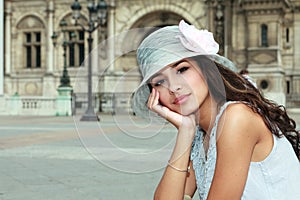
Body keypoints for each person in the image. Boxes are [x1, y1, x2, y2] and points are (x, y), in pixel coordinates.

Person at [132, 20, 300, 200]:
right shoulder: (202, 134)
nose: (173, 86)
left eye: (182, 69)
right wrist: (185, 132)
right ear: (154, 94)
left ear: (206, 68)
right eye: (159, 82)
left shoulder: (236, 118)